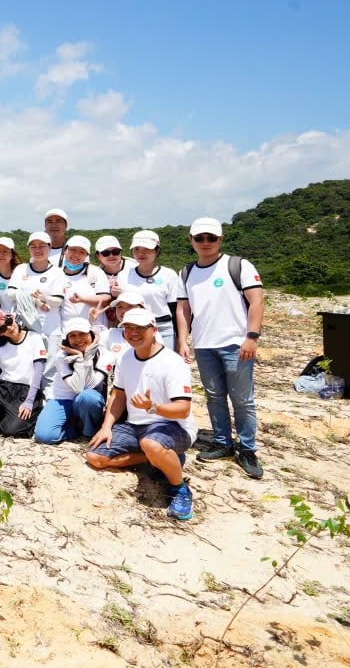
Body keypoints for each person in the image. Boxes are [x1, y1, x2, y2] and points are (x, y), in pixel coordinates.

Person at [175, 217, 265, 480]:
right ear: (191, 240)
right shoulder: (187, 272)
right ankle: (223, 443)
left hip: (236, 344)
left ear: (220, 239)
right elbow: (183, 309)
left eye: (211, 238)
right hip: (204, 345)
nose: (205, 243)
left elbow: (256, 301)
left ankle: (247, 449)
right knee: (214, 397)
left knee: (242, 400)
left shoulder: (238, 266)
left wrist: (252, 337)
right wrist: (183, 340)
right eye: (199, 238)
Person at [86, 308, 197, 521]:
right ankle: (157, 459)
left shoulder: (172, 362)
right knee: (95, 457)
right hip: (135, 425)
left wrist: (153, 408)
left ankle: (180, 489)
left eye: (139, 328)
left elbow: (183, 409)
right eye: (128, 328)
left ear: (154, 329)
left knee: (152, 443)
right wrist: (106, 426)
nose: (133, 333)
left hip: (173, 426)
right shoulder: (126, 358)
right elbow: (118, 395)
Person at [34, 318, 109, 445]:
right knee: (45, 436)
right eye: (72, 336)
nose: (78, 339)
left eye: (82, 334)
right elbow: (76, 387)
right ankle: (76, 428)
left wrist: (87, 357)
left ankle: (88, 431)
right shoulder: (61, 356)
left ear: (91, 334)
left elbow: (91, 385)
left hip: (86, 400)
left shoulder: (105, 354)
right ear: (67, 339)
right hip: (62, 398)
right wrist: (79, 359)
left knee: (87, 397)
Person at [124, 230, 181, 349]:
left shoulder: (169, 274)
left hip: (163, 327)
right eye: (137, 249)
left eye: (147, 249)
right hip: (134, 328)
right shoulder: (124, 275)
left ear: (157, 250)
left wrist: (180, 339)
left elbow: (175, 308)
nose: (141, 253)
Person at [8, 232, 66, 335]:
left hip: (50, 329)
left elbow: (57, 301)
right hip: (24, 329)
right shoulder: (21, 269)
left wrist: (44, 297)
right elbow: (11, 294)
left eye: (41, 246)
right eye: (33, 246)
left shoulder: (57, 272)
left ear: (50, 247)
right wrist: (36, 300)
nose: (37, 250)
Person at [58, 236, 111, 327]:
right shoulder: (56, 273)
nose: (76, 255)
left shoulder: (95, 272)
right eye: (72, 250)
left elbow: (105, 298)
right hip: (67, 329)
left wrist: (82, 299)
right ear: (65, 250)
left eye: (82, 252)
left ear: (86, 255)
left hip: (95, 327)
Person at [0, 238, 20, 315]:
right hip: (1, 322)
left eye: (5, 251)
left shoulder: (22, 272)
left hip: (23, 321)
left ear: (12, 254)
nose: (0, 255)